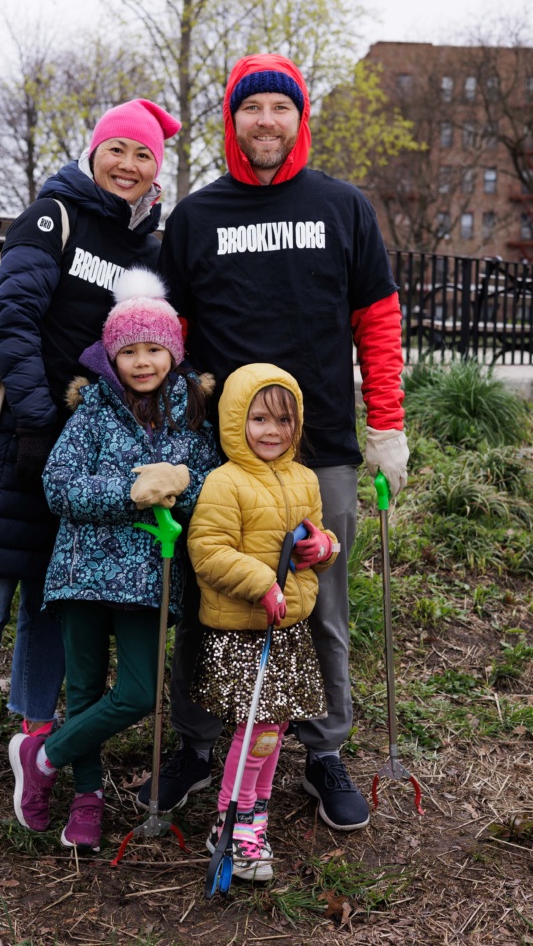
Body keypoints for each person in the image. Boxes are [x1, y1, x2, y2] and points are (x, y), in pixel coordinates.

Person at [136, 54, 409, 832]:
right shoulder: (194, 218)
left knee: (319, 603)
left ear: (299, 119)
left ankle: (321, 751)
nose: (264, 121)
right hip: (217, 454)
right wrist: (159, 433)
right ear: (233, 118)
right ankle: (196, 742)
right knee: (204, 597)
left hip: (318, 446)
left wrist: (384, 424)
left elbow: (377, 322)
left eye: (278, 108)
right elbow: (169, 338)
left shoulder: (342, 207)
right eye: (250, 107)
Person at [0, 100, 182, 812]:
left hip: (88, 447)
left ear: (156, 170)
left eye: (144, 156)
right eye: (118, 150)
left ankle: (35, 735)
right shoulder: (51, 216)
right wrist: (37, 417)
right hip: (21, 435)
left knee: (50, 600)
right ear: (94, 152)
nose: (128, 166)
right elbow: (15, 316)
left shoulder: (147, 246)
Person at [7, 269, 220, 851]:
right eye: (129, 351)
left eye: (154, 349)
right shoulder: (93, 410)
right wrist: (130, 492)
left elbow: (207, 486)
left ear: (173, 351)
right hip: (81, 571)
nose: (143, 361)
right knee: (84, 689)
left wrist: (181, 483)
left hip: (151, 576)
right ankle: (87, 797)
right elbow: (59, 485)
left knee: (136, 692)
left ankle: (42, 754)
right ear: (111, 354)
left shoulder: (194, 413)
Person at [188, 363, 339, 881]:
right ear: (235, 420)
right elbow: (207, 550)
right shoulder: (225, 482)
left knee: (271, 729)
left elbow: (316, 540)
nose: (271, 431)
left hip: (288, 629)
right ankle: (231, 821)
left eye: (282, 420)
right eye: (258, 419)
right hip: (243, 630)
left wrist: (324, 547)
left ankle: (255, 812)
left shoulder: (304, 478)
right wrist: (261, 583)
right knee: (255, 729)